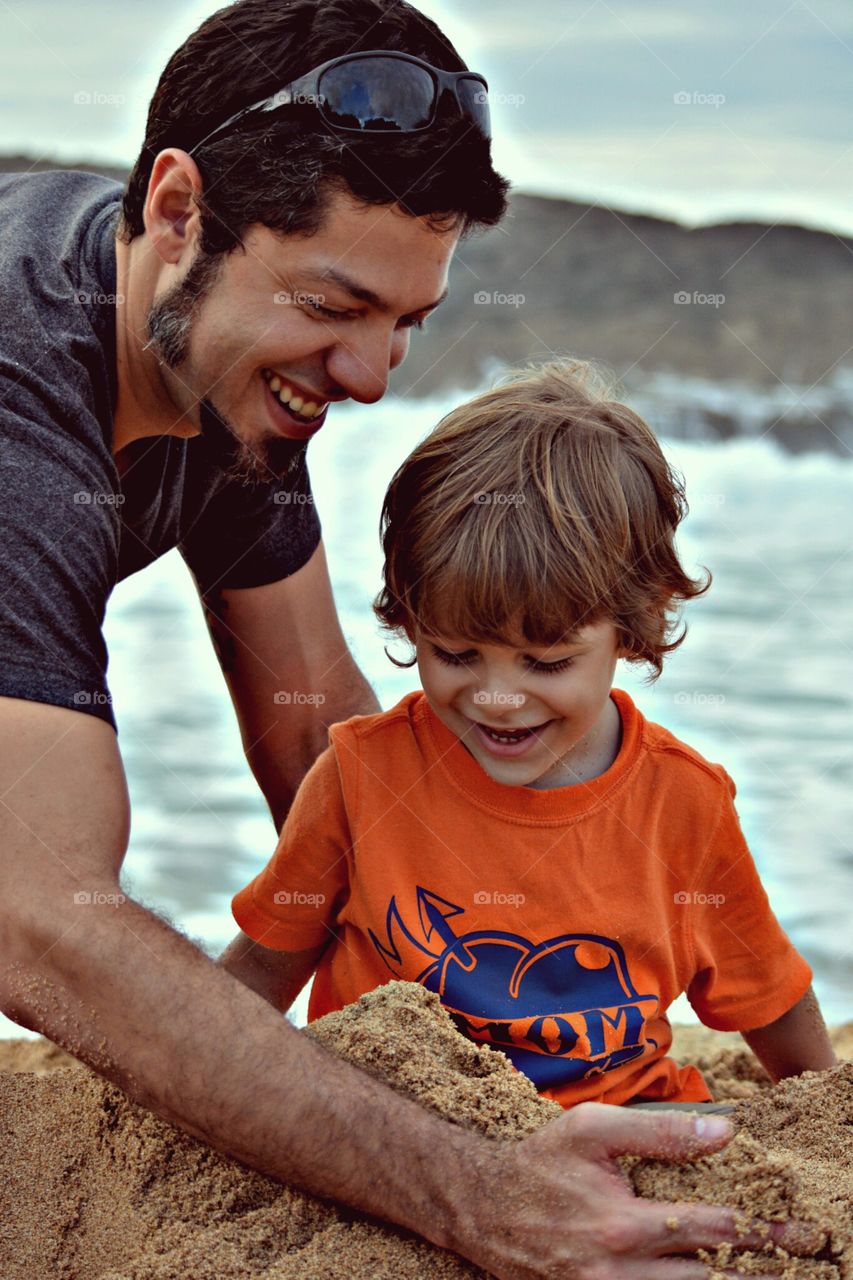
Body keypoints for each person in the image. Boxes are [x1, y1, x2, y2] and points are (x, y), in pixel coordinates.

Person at [0, 0, 822, 1270]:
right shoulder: (21, 410)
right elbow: (40, 919)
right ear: (178, 212)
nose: (374, 373)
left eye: (407, 321)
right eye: (338, 303)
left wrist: (517, 917)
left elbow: (325, 747)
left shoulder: (217, 360)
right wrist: (473, 1188)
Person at [224, 360, 836, 1118]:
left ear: (633, 628)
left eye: (545, 662)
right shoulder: (360, 775)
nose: (499, 699)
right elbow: (263, 969)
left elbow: (767, 994)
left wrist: (825, 1113)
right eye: (455, 654)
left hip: (617, 1123)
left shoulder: (683, 802)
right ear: (407, 618)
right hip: (402, 1134)